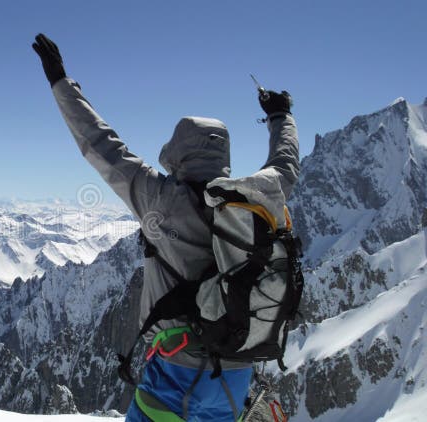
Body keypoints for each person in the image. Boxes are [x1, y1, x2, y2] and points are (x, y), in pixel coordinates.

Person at [31, 33, 300, 422]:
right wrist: (281, 116)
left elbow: (100, 143)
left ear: (178, 151)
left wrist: (60, 81)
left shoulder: (158, 198)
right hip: (236, 371)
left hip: (175, 372)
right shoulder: (257, 196)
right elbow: (287, 163)